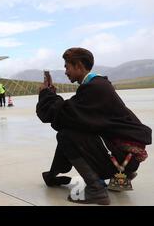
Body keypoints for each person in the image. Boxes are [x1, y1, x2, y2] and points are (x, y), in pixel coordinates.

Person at [36, 47, 151, 205]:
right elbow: (72, 115)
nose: (65, 71)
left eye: (67, 66)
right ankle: (121, 175)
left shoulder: (96, 88)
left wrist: (45, 94)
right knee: (72, 130)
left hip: (122, 159)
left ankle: (96, 190)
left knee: (66, 134)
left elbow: (63, 114)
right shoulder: (98, 85)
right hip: (125, 157)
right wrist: (52, 176)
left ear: (78, 65)